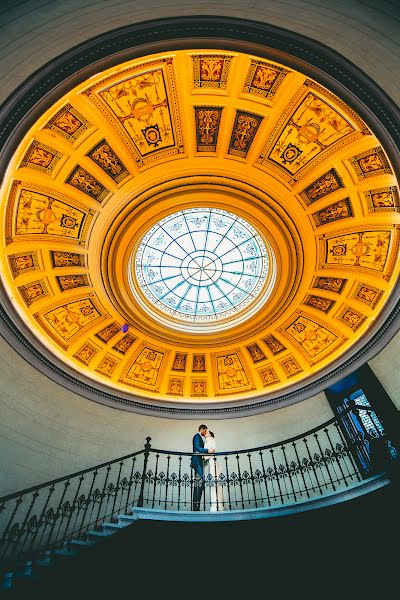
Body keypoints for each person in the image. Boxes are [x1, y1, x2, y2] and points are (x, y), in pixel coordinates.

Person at [190, 424, 215, 511]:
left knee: (199, 482)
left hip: (199, 462)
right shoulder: (197, 436)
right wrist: (208, 450)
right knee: (199, 482)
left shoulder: (199, 438)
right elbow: (197, 448)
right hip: (197, 462)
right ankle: (195, 505)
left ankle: (196, 505)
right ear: (202, 429)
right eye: (206, 431)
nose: (206, 433)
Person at [204, 430, 225, 511]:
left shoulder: (210, 439)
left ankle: (216, 506)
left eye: (207, 432)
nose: (206, 433)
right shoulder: (209, 440)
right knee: (214, 482)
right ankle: (217, 505)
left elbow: (210, 450)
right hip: (212, 461)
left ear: (210, 434)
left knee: (214, 482)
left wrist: (203, 456)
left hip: (212, 461)